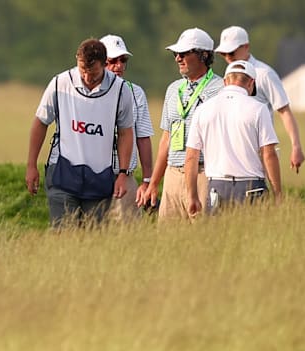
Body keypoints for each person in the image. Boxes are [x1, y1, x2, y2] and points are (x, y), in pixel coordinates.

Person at [25, 38, 134, 227]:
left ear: (104, 63)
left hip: (100, 178)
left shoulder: (121, 90)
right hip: (62, 172)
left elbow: (125, 133)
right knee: (63, 235)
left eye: (93, 72)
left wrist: (123, 174)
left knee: (93, 240)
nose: (86, 77)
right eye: (83, 70)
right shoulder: (60, 83)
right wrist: (31, 165)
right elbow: (40, 122)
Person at [137, 28, 223, 220]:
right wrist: (153, 184)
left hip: (204, 173)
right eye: (176, 54)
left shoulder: (221, 88)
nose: (178, 58)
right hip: (173, 175)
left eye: (184, 53)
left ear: (204, 55)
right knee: (168, 241)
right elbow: (166, 140)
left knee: (204, 237)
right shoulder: (174, 89)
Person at [185, 61, 282, 215]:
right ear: (251, 83)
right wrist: (278, 194)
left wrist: (192, 196)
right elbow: (268, 154)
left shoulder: (202, 110)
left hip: (216, 188)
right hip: (252, 187)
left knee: (218, 238)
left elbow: (191, 157)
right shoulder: (258, 109)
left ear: (225, 81)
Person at [214, 26, 305, 173]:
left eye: (231, 52)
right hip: (230, 151)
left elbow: (284, 111)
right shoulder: (227, 75)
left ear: (246, 47)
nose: (228, 58)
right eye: (223, 54)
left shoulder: (264, 74)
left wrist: (296, 147)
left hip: (259, 150)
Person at [99, 34, 154, 222]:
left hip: (125, 178)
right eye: (112, 61)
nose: (119, 66)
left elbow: (143, 137)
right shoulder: (88, 92)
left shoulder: (136, 92)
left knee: (128, 236)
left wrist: (147, 180)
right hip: (93, 176)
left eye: (123, 60)